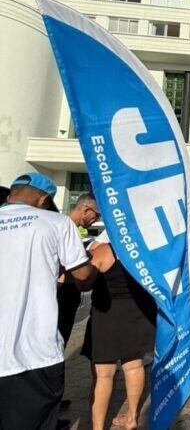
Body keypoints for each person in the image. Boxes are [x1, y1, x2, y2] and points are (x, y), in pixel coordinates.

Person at [0, 173, 100, 429]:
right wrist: (94, 267)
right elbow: (83, 277)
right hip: (34, 355)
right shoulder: (56, 223)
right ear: (43, 199)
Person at [82, 243, 156, 430]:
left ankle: (98, 427)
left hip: (108, 316)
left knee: (104, 374)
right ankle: (131, 417)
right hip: (138, 312)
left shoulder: (105, 250)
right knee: (134, 365)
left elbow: (84, 282)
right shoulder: (144, 247)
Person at [58, 193, 101, 346]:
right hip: (61, 291)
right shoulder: (64, 228)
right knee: (58, 341)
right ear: (86, 210)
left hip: (66, 291)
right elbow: (81, 274)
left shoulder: (68, 228)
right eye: (96, 215)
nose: (96, 220)